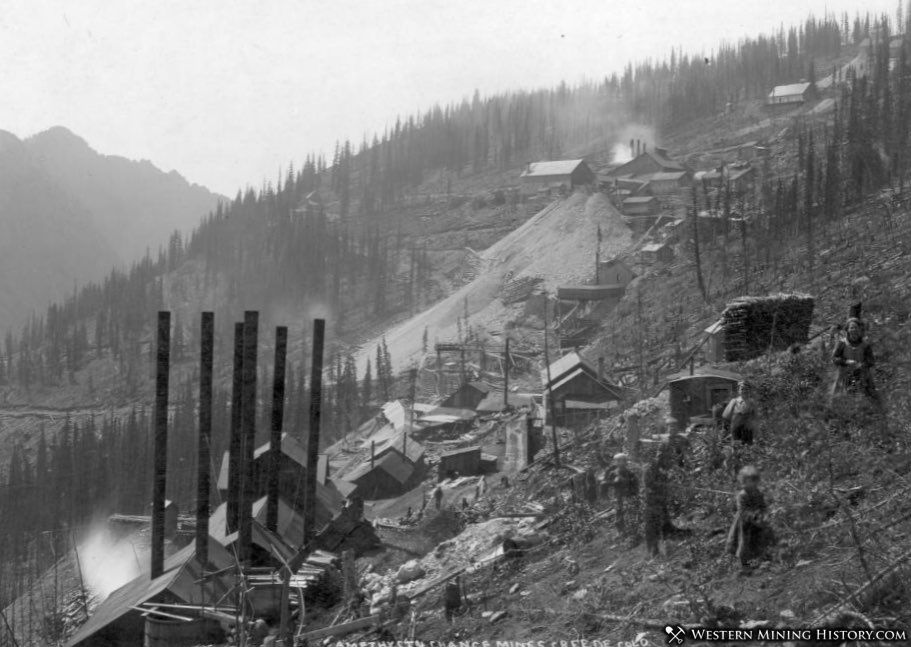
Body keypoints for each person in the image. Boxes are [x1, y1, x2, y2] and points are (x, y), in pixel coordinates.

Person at [726, 465, 774, 571]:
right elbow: (743, 510)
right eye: (749, 480)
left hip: (758, 522)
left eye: (754, 480)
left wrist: (763, 515)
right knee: (744, 545)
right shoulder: (742, 495)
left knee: (758, 542)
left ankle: (758, 563)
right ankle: (745, 567)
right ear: (744, 481)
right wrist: (754, 516)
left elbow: (763, 506)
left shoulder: (758, 493)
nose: (752, 483)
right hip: (745, 524)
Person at [831, 310, 879, 405]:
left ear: (860, 330)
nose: (854, 330)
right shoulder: (842, 343)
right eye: (852, 328)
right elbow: (834, 358)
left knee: (872, 399)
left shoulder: (865, 345)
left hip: (862, 375)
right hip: (844, 375)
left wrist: (862, 365)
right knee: (838, 400)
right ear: (848, 330)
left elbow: (871, 361)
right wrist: (846, 362)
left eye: (856, 328)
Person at [643, 442, 673, 558]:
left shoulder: (663, 467)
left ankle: (666, 550)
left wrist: (668, 484)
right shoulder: (650, 467)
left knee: (664, 525)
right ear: (660, 455)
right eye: (665, 456)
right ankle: (653, 552)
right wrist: (661, 485)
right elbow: (649, 484)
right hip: (652, 501)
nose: (667, 459)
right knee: (653, 526)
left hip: (661, 501)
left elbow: (665, 481)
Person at [612, 453, 639, 538]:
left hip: (628, 496)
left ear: (624, 462)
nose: (618, 463)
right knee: (618, 514)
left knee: (629, 513)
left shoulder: (630, 473)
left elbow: (635, 484)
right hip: (618, 497)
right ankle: (620, 532)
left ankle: (631, 531)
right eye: (616, 461)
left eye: (620, 461)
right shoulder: (614, 473)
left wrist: (634, 493)